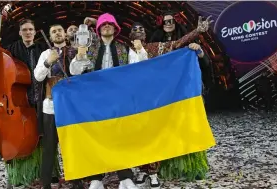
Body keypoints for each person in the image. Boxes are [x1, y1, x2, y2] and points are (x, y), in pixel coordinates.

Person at [127, 17, 210, 188]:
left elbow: (178, 43)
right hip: (131, 101)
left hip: (152, 100)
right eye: (135, 29)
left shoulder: (154, 47)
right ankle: (141, 169)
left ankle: (153, 171)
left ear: (146, 34)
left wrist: (198, 31)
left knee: (153, 135)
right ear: (129, 34)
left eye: (142, 29)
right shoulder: (121, 52)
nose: (138, 31)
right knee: (138, 137)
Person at [70, 13, 146, 189]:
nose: (107, 26)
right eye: (103, 24)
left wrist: (140, 49)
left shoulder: (124, 49)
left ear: (116, 28)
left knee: (120, 137)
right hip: (94, 100)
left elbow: (141, 67)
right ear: (98, 29)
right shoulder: (89, 47)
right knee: (96, 137)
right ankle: (97, 178)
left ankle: (125, 176)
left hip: (119, 100)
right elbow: (74, 71)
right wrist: (80, 56)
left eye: (110, 24)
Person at [0, 19, 50, 189]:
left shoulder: (42, 49)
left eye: (31, 29)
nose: (28, 32)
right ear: (20, 32)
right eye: (25, 30)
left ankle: (42, 173)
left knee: (41, 134)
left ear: (35, 32)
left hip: (40, 97)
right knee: (18, 134)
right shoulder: (13, 49)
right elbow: (1, 62)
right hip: (19, 99)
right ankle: (18, 175)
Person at [34, 23, 78, 189]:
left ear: (65, 34)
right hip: (51, 105)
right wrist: (47, 63)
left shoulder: (75, 50)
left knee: (72, 145)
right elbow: (38, 77)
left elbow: (79, 73)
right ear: (50, 37)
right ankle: (45, 183)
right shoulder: (46, 53)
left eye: (60, 30)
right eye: (53, 32)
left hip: (71, 105)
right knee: (49, 146)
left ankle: (76, 181)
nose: (57, 33)